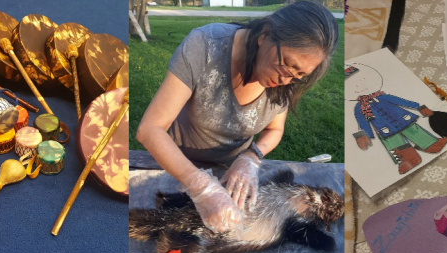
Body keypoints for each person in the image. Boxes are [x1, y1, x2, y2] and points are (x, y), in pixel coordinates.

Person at [136, 1, 339, 234]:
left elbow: (275, 130)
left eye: (300, 75)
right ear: (265, 35)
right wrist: (201, 187)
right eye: (287, 65)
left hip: (232, 173)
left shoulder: (287, 79)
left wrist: (251, 157)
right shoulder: (205, 46)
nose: (286, 80)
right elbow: (150, 129)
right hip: (177, 164)